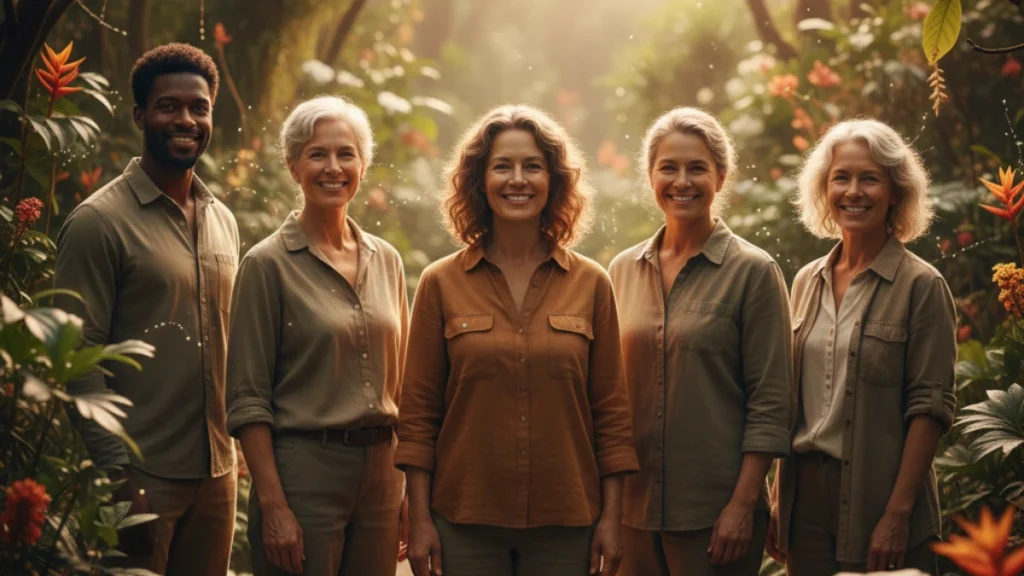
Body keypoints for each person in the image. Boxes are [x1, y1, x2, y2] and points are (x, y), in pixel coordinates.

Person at [397, 104, 639, 576]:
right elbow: (419, 415)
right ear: (478, 180)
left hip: (568, 525)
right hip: (464, 524)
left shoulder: (592, 284)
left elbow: (611, 413)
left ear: (554, 181)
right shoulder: (439, 283)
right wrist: (421, 519)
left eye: (533, 166)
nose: (518, 180)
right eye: (502, 166)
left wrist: (612, 519)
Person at [54, 43, 238, 574]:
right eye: (169, 106)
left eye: (198, 107)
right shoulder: (98, 222)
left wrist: (237, 454)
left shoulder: (222, 218)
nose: (186, 119)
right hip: (140, 477)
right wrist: (118, 480)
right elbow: (75, 359)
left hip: (217, 476)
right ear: (140, 115)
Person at [226, 95, 408, 576]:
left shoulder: (387, 260)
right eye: (317, 154)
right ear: (292, 167)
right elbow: (247, 399)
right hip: (304, 471)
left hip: (384, 473)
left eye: (346, 154)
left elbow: (404, 384)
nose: (333, 167)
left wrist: (407, 485)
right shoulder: (266, 265)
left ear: (363, 166)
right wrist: (275, 506)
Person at [766, 118, 957, 575]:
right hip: (805, 502)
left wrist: (897, 516)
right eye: (841, 178)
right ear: (824, 190)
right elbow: (793, 402)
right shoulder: (805, 281)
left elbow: (929, 410)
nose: (854, 191)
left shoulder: (922, 286)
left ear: (895, 191)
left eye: (870, 178)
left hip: (880, 495)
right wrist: (778, 497)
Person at [610, 107, 793, 576]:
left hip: (715, 517)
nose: (682, 181)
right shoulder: (621, 271)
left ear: (721, 176)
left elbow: (771, 402)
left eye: (697, 168)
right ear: (650, 175)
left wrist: (742, 505)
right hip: (631, 512)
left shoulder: (754, 272)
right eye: (668, 167)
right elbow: (607, 397)